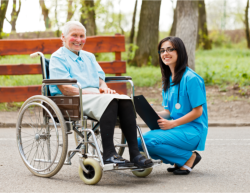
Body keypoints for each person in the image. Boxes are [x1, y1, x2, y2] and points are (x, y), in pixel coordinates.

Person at [49, 21, 153, 168]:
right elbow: (65, 89)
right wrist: (96, 93)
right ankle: (109, 154)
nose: (79, 40)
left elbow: (100, 80)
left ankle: (135, 154)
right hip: (72, 98)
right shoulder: (58, 57)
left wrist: (104, 88)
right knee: (109, 101)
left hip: (95, 96)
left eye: (82, 36)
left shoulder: (89, 56)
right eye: (74, 36)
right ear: (63, 37)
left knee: (124, 100)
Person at [137, 36, 208, 175]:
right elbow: (168, 112)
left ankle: (188, 158)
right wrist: (151, 113)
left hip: (192, 131)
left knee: (147, 141)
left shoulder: (192, 79)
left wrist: (173, 124)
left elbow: (198, 111)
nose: (165, 53)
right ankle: (182, 158)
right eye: (162, 50)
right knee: (139, 142)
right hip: (176, 129)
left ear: (179, 52)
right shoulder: (167, 80)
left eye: (170, 49)